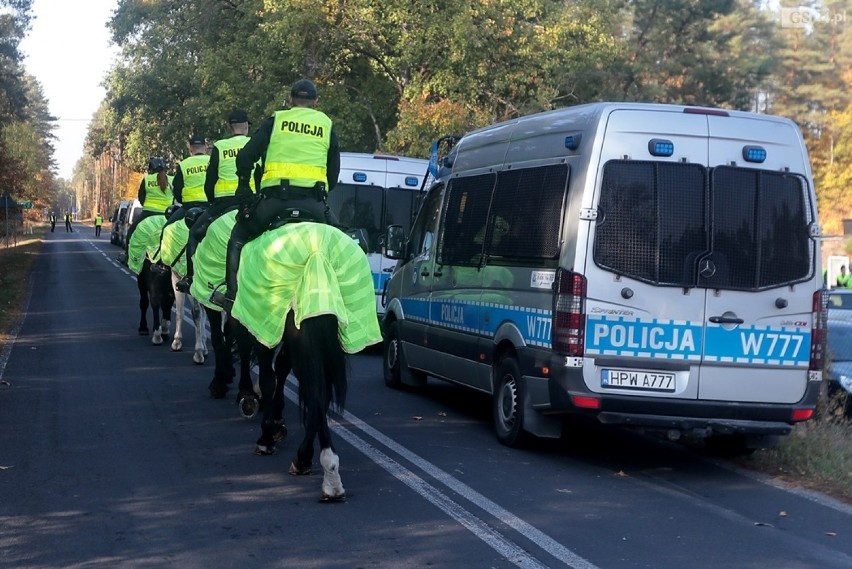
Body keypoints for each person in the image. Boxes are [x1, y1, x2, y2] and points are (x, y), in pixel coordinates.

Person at [213, 79, 340, 308]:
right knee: (343, 241)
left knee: (238, 236)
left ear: (291, 100)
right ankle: (345, 303)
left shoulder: (277, 120)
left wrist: (244, 186)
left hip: (274, 204)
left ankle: (232, 296)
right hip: (314, 206)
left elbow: (245, 157)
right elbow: (333, 177)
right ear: (316, 102)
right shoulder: (327, 125)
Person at [176, 110, 258, 293]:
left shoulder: (220, 146)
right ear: (246, 126)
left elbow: (210, 181)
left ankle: (190, 277)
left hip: (224, 203)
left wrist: (212, 202)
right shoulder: (255, 144)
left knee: (195, 234)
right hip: (252, 202)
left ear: (230, 127)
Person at [119, 156, 174, 264]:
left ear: (151, 169)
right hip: (167, 215)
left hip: (148, 213)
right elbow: (176, 195)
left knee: (131, 231)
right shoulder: (171, 179)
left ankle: (127, 255)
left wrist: (147, 205)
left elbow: (141, 197)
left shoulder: (147, 179)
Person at [166, 134, 211, 229]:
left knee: (167, 228)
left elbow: (177, 188)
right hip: (210, 205)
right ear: (205, 147)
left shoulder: (184, 164)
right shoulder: (211, 160)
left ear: (190, 148)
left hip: (188, 206)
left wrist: (182, 201)